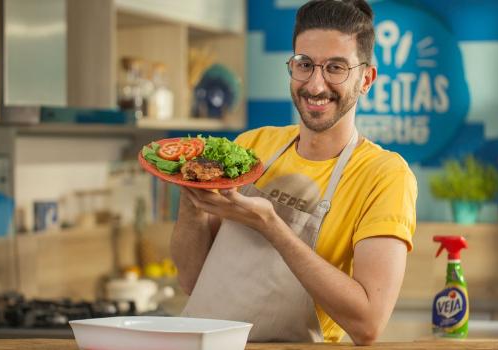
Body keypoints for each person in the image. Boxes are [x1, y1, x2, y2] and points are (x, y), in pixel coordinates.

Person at [170, 0, 417, 345]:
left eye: (335, 68)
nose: (315, 85)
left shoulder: (384, 175)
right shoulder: (252, 145)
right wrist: (189, 194)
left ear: (366, 79)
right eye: (305, 64)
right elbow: (192, 280)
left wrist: (272, 226)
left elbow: (368, 324)